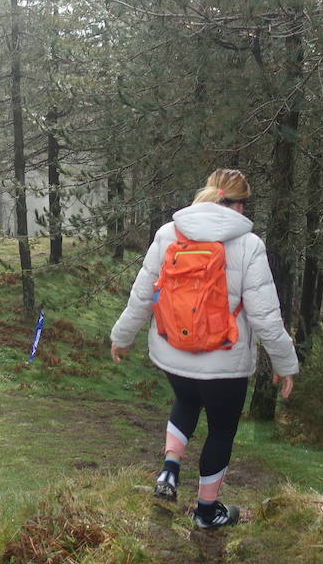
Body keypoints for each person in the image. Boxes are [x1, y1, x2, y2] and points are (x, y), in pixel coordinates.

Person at [109, 168, 299, 529]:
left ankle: (169, 470)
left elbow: (143, 296)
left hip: (174, 353)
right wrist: (284, 362)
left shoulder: (168, 234)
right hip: (225, 364)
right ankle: (207, 512)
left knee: (186, 400)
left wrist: (122, 336)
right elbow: (265, 317)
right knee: (221, 430)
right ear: (239, 205)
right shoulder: (249, 245)